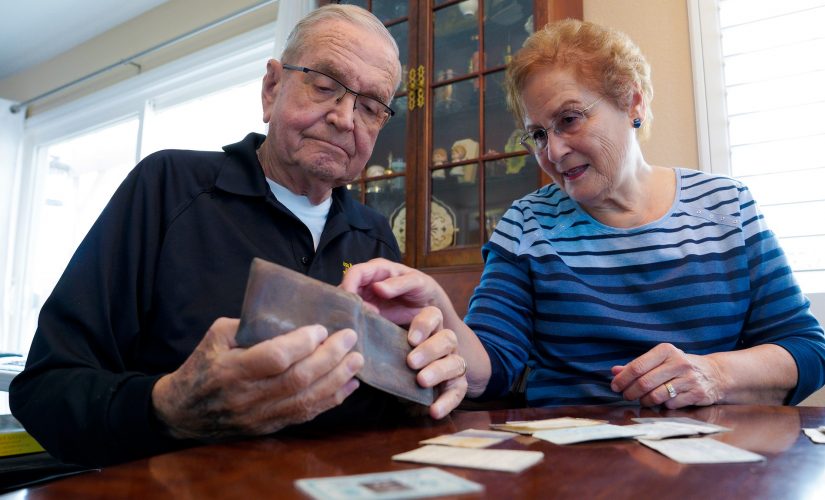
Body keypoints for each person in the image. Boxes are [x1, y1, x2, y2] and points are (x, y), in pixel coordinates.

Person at [9, 5, 467, 467]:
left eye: (370, 107)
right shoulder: (167, 188)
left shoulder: (375, 237)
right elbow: (45, 390)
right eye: (326, 85)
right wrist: (168, 405)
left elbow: (393, 407)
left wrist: (421, 384)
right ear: (272, 88)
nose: (346, 118)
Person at [341, 19, 825, 411]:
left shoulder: (727, 206)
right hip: (571, 466)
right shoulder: (527, 225)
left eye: (569, 119)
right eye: (537, 134)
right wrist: (442, 313)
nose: (552, 151)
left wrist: (716, 375)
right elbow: (493, 367)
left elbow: (806, 350)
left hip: (718, 466)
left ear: (631, 102)